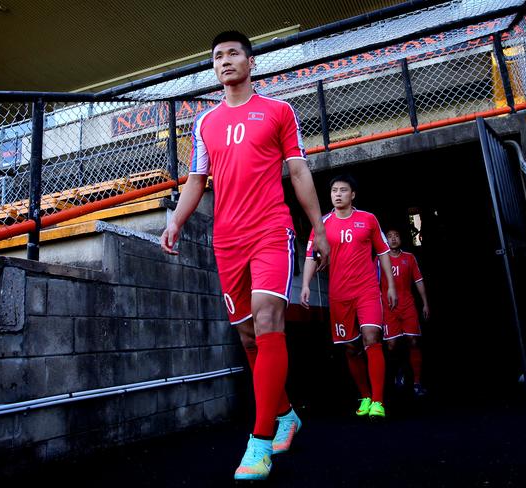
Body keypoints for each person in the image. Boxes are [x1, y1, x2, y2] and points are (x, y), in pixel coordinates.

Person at [160, 31, 330, 481]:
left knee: (268, 320)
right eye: (217, 56)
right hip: (227, 240)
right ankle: (287, 414)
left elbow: (297, 170)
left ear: (251, 62)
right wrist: (176, 220)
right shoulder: (204, 123)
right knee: (249, 338)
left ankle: (259, 444)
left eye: (233, 53)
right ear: (213, 68)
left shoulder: (279, 112)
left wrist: (318, 228)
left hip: (272, 231)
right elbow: (197, 180)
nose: (225, 60)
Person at [300, 174, 397, 420]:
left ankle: (378, 401)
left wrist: (391, 286)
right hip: (339, 295)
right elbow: (311, 255)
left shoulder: (368, 219)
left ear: (353, 194)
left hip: (367, 290)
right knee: (351, 348)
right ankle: (365, 395)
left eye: (343, 190)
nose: (338, 194)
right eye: (334, 191)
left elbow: (384, 252)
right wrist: (305, 285)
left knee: (371, 338)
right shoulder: (321, 224)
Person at [381, 229, 430, 397]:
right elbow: (371, 283)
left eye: (396, 235)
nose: (393, 239)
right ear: (385, 240)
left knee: (413, 341)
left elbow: (418, 281)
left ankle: (417, 382)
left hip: (408, 306)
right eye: (389, 236)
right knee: (392, 345)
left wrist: (425, 303)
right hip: (389, 308)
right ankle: (399, 372)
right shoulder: (380, 259)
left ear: (401, 239)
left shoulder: (409, 258)